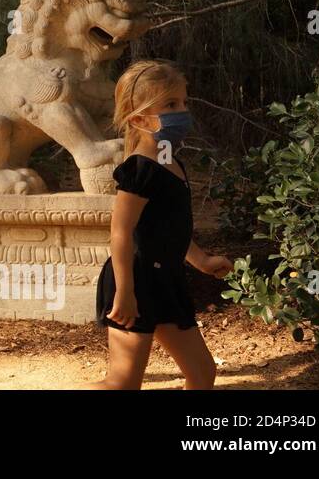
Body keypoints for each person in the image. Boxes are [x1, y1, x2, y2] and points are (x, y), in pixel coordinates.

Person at [91, 59, 233, 390]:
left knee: (202, 374)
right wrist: (125, 292)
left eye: (183, 102)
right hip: (136, 280)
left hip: (166, 282)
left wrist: (202, 261)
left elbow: (169, 227)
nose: (181, 111)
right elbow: (121, 231)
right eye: (170, 104)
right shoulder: (140, 169)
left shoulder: (171, 163)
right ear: (139, 118)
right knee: (123, 383)